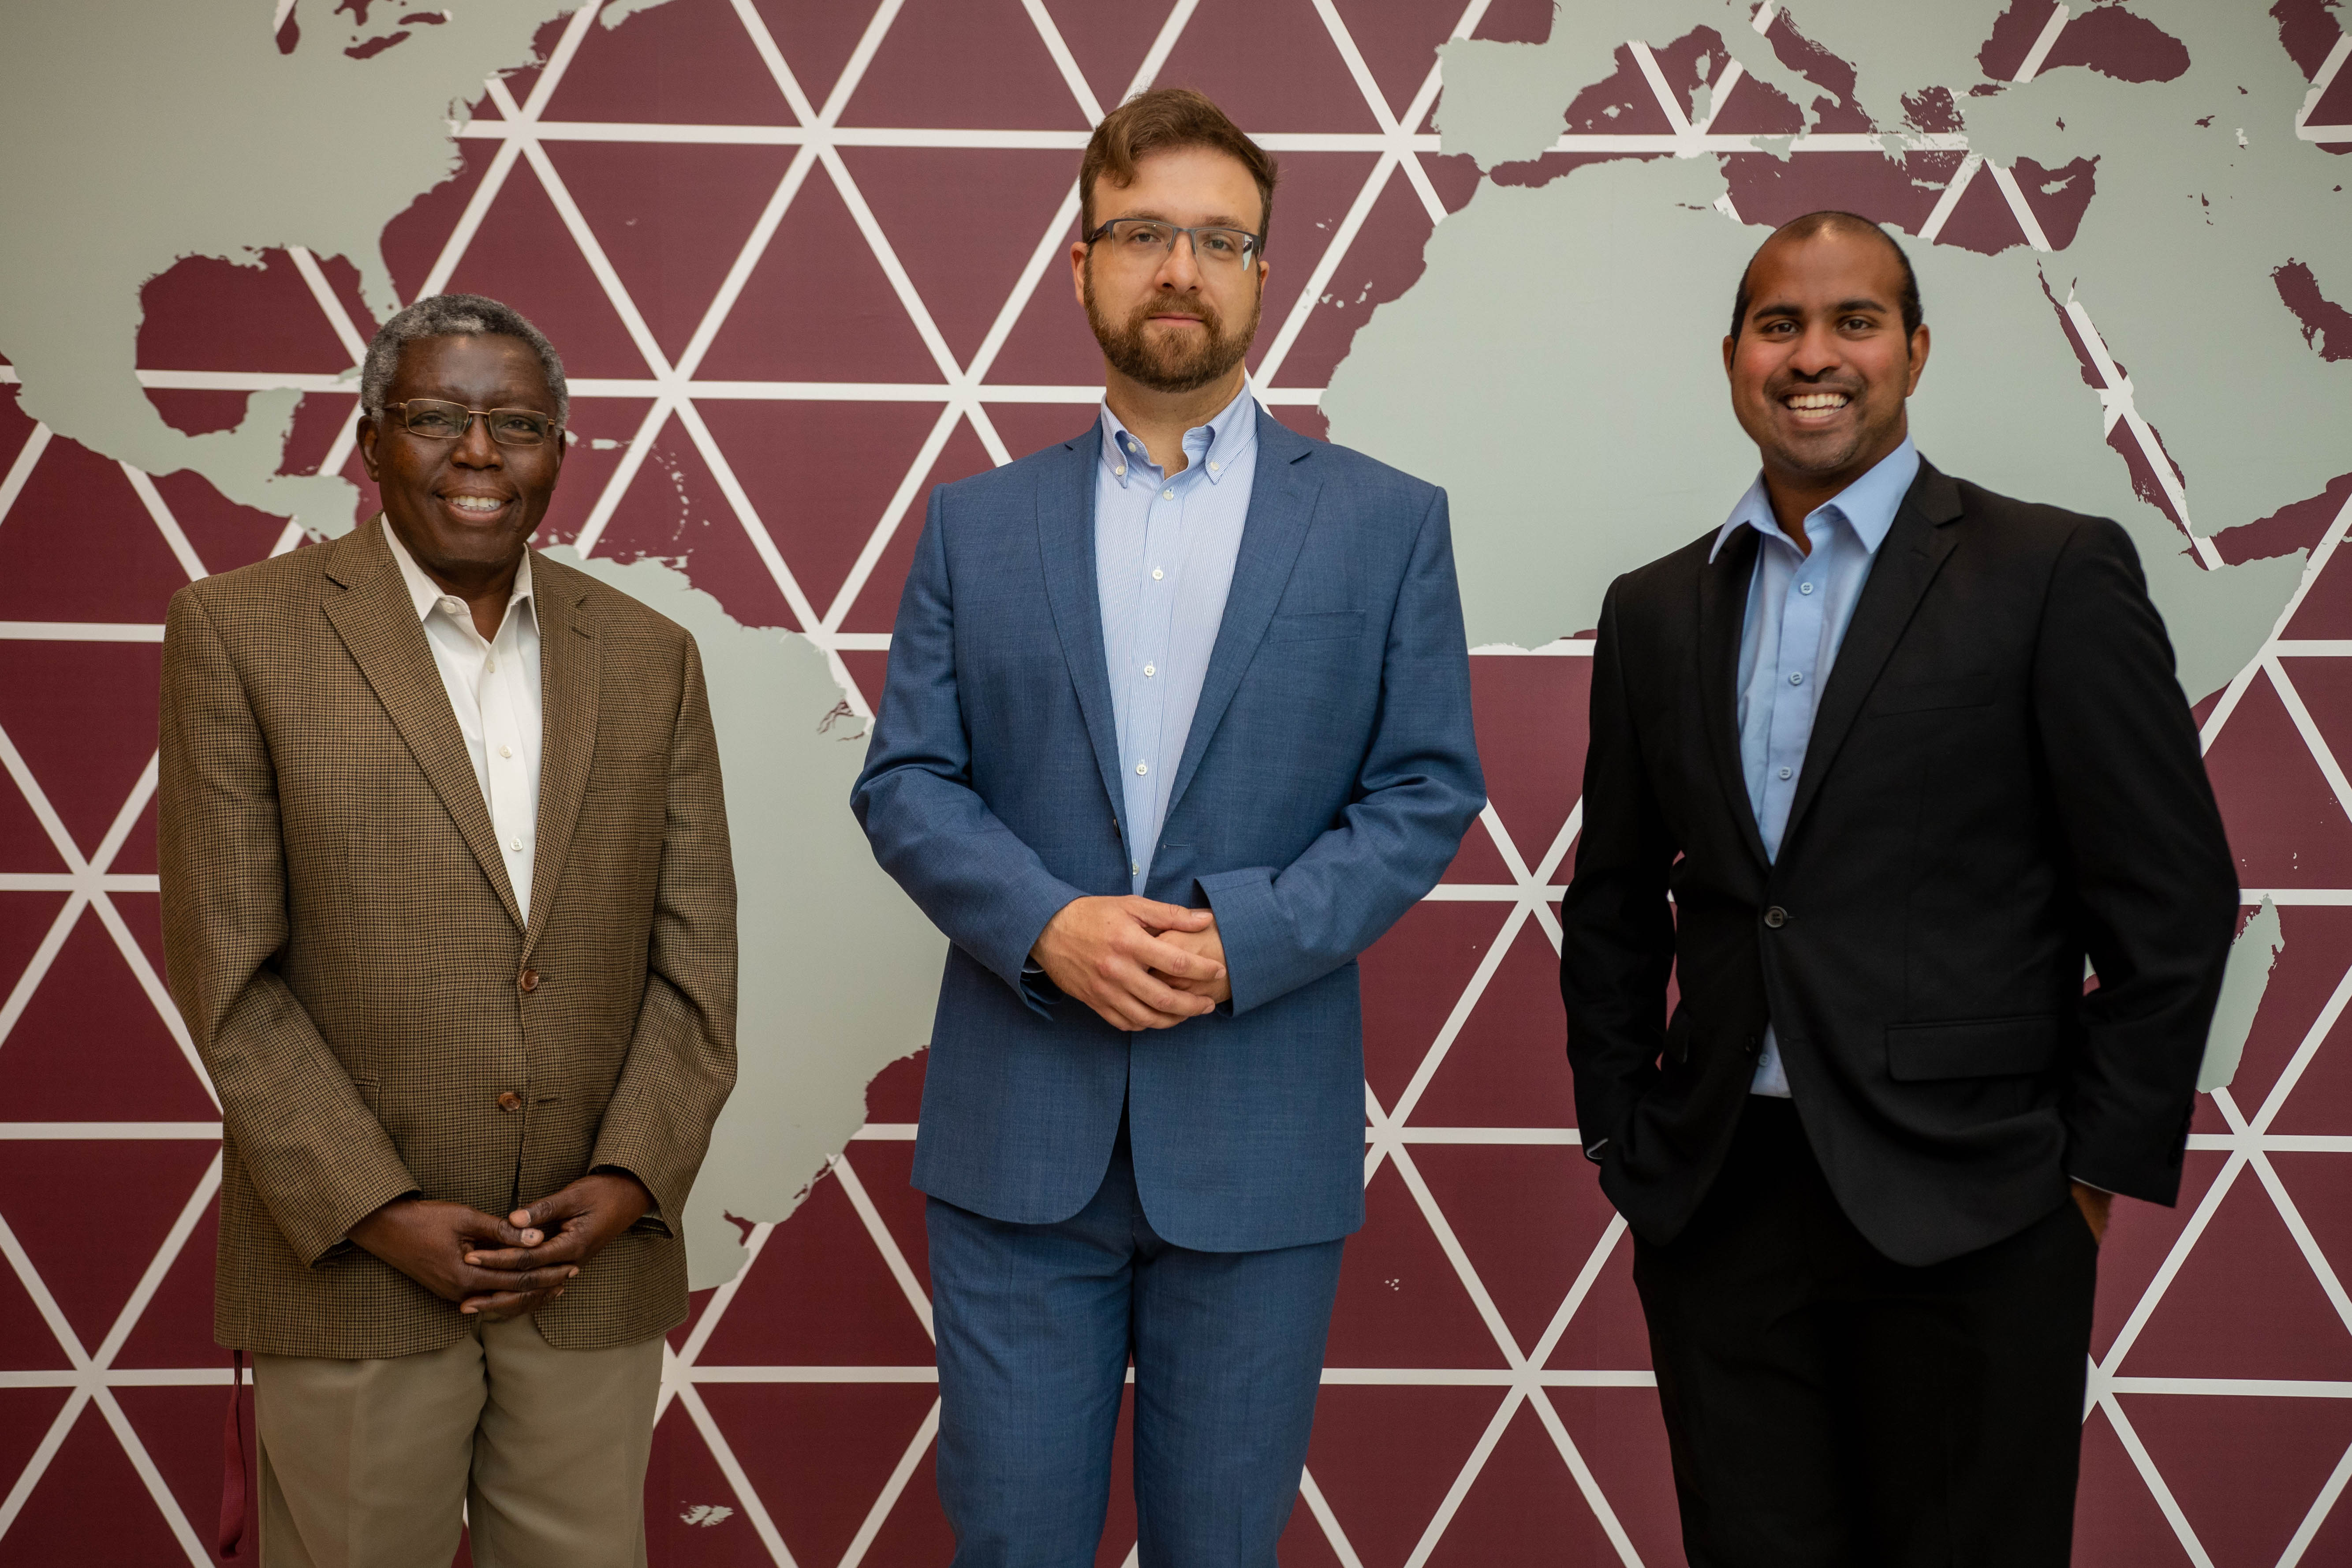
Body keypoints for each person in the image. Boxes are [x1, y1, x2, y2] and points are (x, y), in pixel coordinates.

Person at [851, 87, 1485, 1565]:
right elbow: (907, 782)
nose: (1180, 268)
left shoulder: (1388, 524)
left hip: (1261, 1129)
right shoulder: (975, 523)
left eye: (1219, 239)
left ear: (1268, 271)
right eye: (1142, 232)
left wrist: (1242, 941)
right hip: (1019, 1141)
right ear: (1079, 264)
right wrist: (1048, 925)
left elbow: (1425, 790)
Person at [1557, 212, 2238, 1566]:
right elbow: (1617, 901)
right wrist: (1622, 1137)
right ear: (1736, 358)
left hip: (1978, 1207)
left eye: (1855, 321)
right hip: (1719, 1204)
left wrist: (2087, 1179)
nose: (1817, 356)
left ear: (1915, 349)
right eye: (1780, 324)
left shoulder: (2051, 570)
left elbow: (2172, 900)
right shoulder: (1652, 608)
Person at [159, 292, 737, 1568]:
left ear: (560, 453)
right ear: (370, 441)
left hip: (585, 1273)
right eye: (435, 416)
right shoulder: (238, 632)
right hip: (354, 1271)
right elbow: (229, 977)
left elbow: (696, 969)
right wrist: (380, 1209)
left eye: (518, 423)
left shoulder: (654, 656)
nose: (479, 452)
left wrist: (632, 1179)